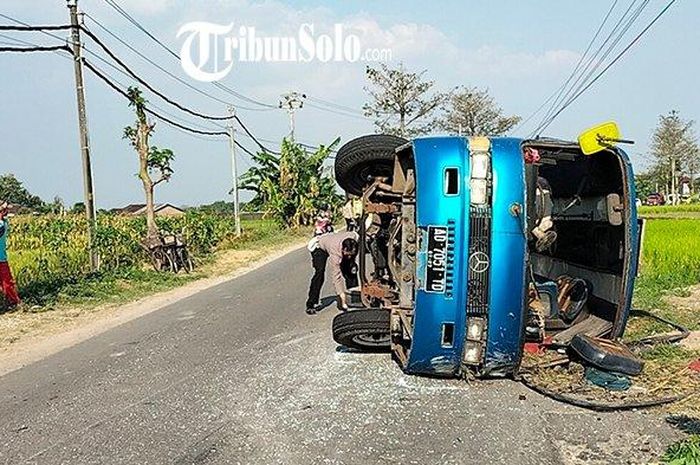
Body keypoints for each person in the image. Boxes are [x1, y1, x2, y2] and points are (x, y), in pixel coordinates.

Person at [306, 230, 359, 315]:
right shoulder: (335, 254)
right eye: (347, 254)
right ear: (343, 249)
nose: (349, 256)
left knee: (351, 271)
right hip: (319, 246)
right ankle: (311, 304)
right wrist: (341, 295)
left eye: (351, 254)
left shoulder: (354, 237)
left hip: (333, 240)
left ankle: (354, 298)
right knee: (320, 273)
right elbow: (336, 277)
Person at [0, 202, 20, 309]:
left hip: (1, 259)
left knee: (7, 284)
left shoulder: (2, 224)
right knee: (7, 283)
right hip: (2, 258)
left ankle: (13, 302)